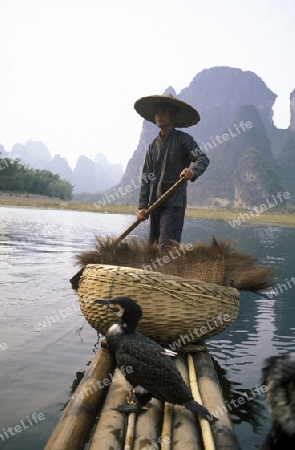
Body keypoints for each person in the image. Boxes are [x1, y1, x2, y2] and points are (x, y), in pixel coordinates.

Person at [134, 94, 209, 250]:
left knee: (166, 247)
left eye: (163, 112)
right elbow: (146, 178)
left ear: (173, 114)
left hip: (173, 204)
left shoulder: (184, 140)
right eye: (157, 112)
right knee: (152, 249)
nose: (159, 116)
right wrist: (142, 206)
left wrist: (192, 172)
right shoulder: (152, 146)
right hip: (154, 205)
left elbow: (202, 158)